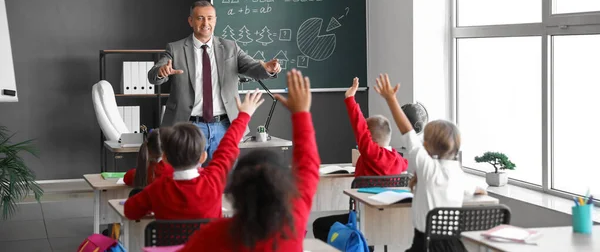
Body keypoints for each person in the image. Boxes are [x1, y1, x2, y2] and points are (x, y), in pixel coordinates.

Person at [178, 69, 320, 251]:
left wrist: (243, 115)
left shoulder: (212, 234)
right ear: (285, 188)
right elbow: (308, 166)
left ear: (235, 191)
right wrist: (301, 114)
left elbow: (225, 151)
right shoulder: (294, 223)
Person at [148, 0, 281, 164]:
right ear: (191, 21)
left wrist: (267, 68)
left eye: (210, 18)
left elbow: (252, 67)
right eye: (200, 18)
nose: (206, 23)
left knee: (224, 180)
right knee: (190, 180)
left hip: (224, 127)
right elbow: (153, 75)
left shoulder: (230, 47)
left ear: (215, 20)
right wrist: (162, 72)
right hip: (189, 128)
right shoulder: (175, 49)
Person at [374, 74, 486, 252]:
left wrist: (391, 99)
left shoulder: (428, 168)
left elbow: (407, 131)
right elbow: (479, 189)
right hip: (454, 246)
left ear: (426, 144)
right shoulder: (459, 175)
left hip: (425, 246)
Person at [124, 90, 264, 220]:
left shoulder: (158, 189)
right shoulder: (213, 179)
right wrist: (244, 115)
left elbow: (130, 211)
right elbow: (228, 145)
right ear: (203, 157)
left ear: (165, 158)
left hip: (173, 247)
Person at [312, 77, 409, 243]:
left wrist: (350, 99)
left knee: (319, 225)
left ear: (369, 139)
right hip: (391, 221)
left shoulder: (373, 154)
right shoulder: (400, 162)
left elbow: (360, 127)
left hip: (362, 219)